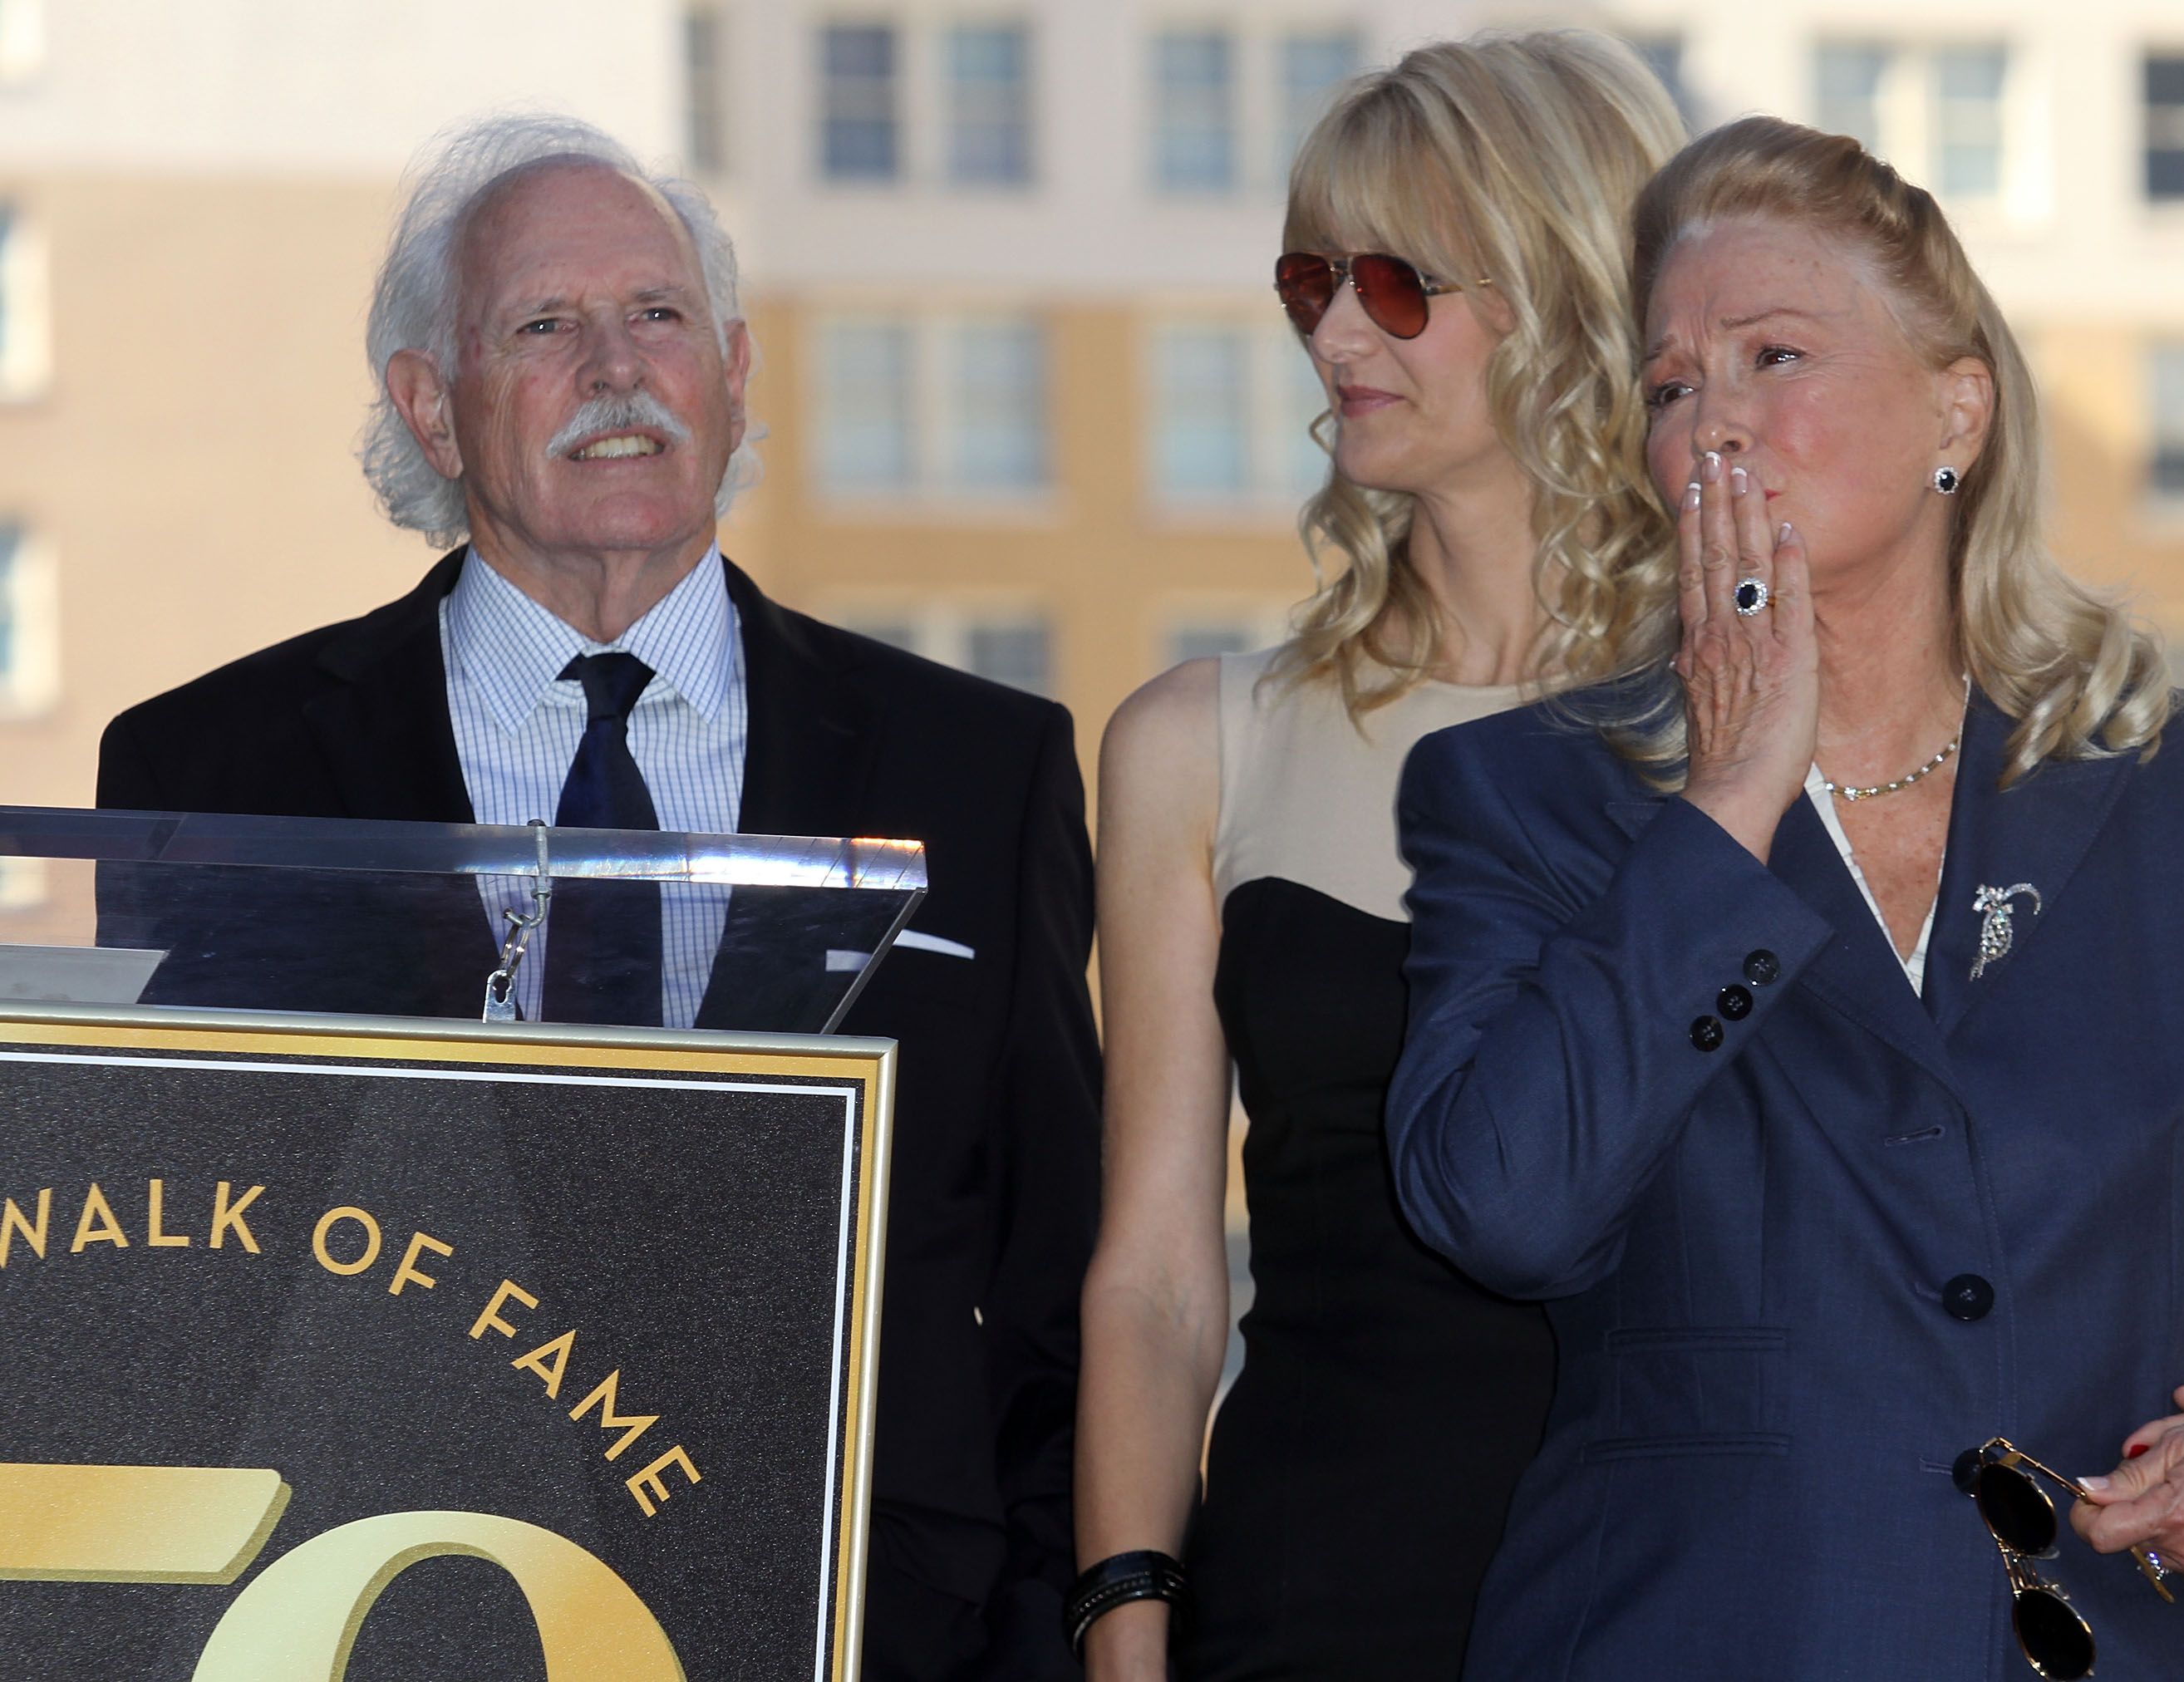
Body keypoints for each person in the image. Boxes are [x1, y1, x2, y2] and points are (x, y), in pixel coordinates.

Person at [1384, 116, 2184, 1681]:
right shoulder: (1529, 799)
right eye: (1674, 385)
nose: (1713, 423)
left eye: (1775, 357)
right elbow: (1501, 1208)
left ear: (1955, 407)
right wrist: (1728, 801)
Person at [94, 115, 1098, 1682]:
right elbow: (175, 1301)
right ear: (434, 406)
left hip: (874, 1629)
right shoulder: (213, 772)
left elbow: (1059, 1289)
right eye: (546, 325)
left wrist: (1043, 1638)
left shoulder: (986, 770)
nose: (616, 369)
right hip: (385, 1624)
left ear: (737, 369)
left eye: (659, 316)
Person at [1071, 33, 1685, 1682]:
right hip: (1314, 1596)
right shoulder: (1200, 740)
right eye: (1310, 277)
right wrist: (1127, 1623)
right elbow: (1154, 1274)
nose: (1335, 332)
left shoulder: (1759, 727)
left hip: (1702, 1593)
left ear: (1560, 296)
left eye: (1400, 286)